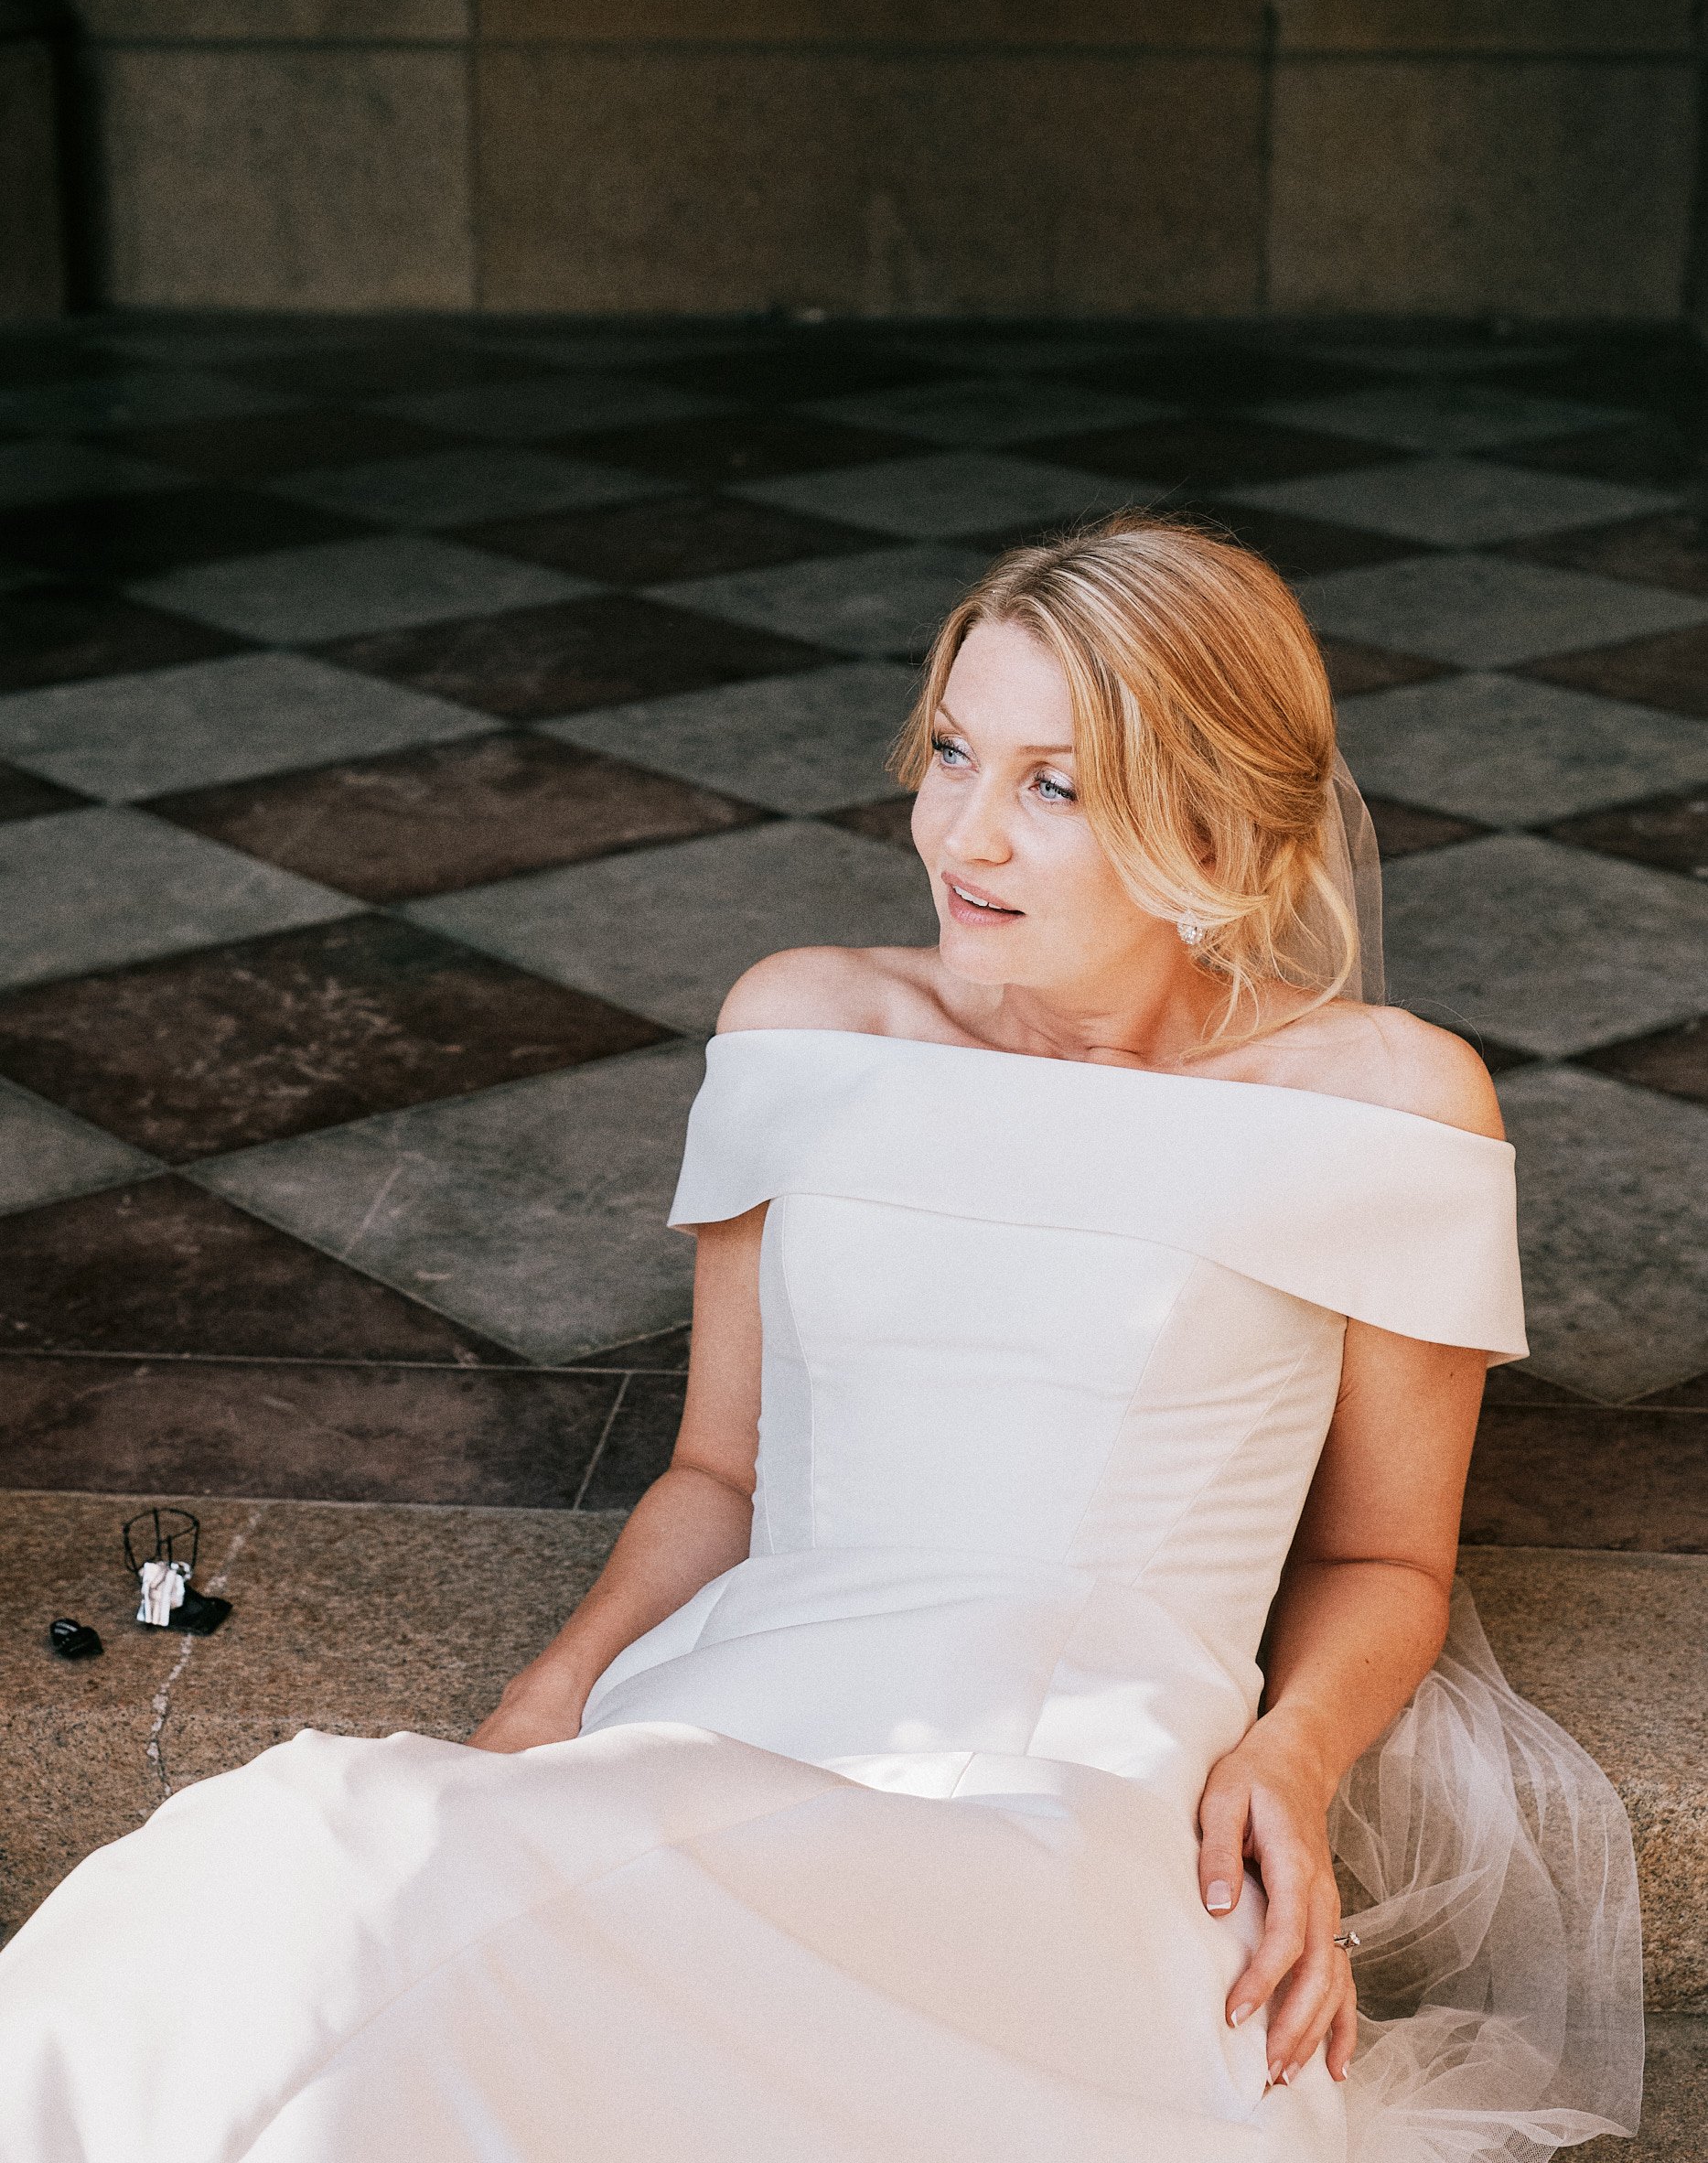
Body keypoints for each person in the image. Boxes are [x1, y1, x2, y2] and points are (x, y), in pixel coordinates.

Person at [0, 518, 1641, 2162]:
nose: (962, 833)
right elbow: (719, 1472)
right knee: (303, 1872)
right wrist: (536, 1712)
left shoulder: (1384, 1104)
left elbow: (1384, 1561)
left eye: (1050, 785)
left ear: (1212, 814)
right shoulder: (806, 1025)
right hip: (737, 1705)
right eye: (950, 752)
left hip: (1060, 1797)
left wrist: (1290, 1755)